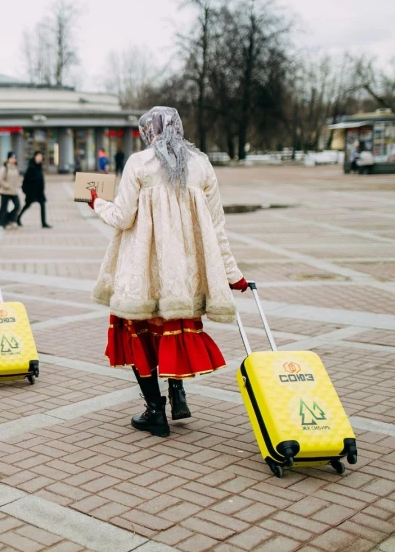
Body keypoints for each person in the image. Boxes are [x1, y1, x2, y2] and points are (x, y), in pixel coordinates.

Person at [85, 107, 248, 438]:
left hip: (143, 269)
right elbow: (217, 226)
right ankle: (177, 391)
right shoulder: (200, 165)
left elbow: (122, 218)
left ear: (149, 131)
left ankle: (154, 412)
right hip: (182, 274)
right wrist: (233, 274)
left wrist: (96, 203)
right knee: (172, 326)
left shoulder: (140, 163)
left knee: (140, 334)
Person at [17, 151, 51, 228]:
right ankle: (18, 218)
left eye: (41, 157)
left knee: (42, 205)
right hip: (32, 191)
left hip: (39, 191)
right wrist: (26, 190)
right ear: (35, 157)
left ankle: (44, 222)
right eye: (38, 156)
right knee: (27, 205)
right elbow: (26, 180)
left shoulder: (40, 166)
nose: (40, 158)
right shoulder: (31, 167)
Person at [0, 152, 21, 229]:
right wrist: (7, 185)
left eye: (14, 158)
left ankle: (10, 219)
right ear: (8, 159)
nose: (13, 160)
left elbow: (17, 178)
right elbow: (0, 179)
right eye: (11, 158)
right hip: (5, 191)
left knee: (17, 205)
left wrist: (18, 185)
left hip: (14, 191)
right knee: (4, 207)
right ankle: (3, 223)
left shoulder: (15, 167)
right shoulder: (4, 168)